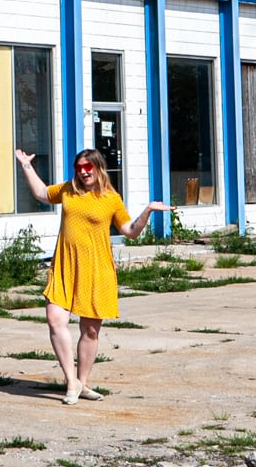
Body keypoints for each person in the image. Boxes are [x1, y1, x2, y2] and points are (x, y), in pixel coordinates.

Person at [15, 147, 165, 403]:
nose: (83, 172)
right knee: (54, 320)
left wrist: (148, 211)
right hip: (65, 265)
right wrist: (26, 166)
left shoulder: (111, 198)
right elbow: (41, 193)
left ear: (98, 168)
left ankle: (82, 383)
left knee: (91, 331)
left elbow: (129, 231)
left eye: (88, 167)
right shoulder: (68, 190)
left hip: (97, 269)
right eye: (79, 168)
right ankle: (71, 381)